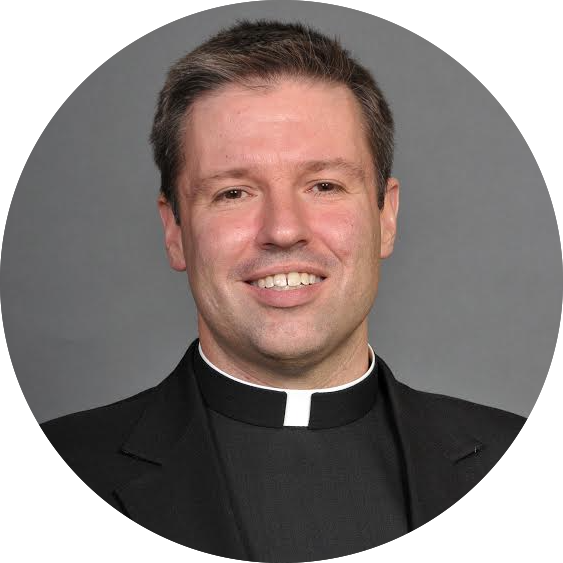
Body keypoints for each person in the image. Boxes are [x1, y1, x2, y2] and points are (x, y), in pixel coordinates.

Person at [40, 19, 526, 560]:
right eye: (233, 192)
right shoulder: (71, 460)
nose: (283, 230)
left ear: (386, 216)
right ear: (175, 231)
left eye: (324, 185)